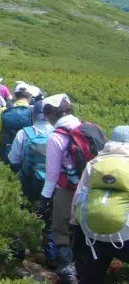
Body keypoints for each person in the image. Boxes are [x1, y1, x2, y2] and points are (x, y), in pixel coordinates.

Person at [40, 94, 106, 284]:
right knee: (85, 230)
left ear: (51, 114)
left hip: (68, 190)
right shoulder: (90, 128)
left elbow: (52, 175)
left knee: (60, 229)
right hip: (92, 189)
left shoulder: (56, 136)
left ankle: (67, 272)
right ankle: (87, 268)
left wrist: (45, 199)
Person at [71, 125, 129, 284]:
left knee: (90, 278)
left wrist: (76, 225)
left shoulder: (95, 163)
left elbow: (79, 198)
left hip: (93, 233)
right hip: (126, 235)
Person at [9, 100, 56, 266]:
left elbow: (13, 159)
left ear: (34, 115)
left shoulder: (24, 133)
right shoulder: (57, 134)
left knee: (21, 216)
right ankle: (51, 257)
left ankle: (18, 253)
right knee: (50, 222)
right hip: (52, 186)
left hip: (28, 183)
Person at [0, 86, 34, 164]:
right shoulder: (33, 111)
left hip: (6, 150)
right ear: (29, 97)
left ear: (15, 96)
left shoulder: (4, 110)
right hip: (25, 153)